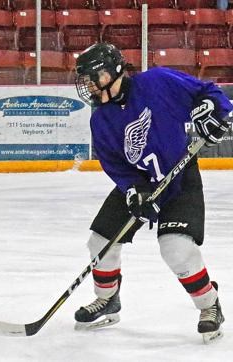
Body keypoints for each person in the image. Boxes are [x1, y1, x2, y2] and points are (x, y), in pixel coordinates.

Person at [73, 43, 231, 343]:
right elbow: (116, 165)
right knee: (99, 242)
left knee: (176, 249)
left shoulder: (157, 82)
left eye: (94, 76)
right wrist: (133, 190)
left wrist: (213, 111)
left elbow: (206, 92)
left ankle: (210, 305)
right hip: (142, 184)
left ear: (114, 71)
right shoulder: (101, 119)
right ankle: (107, 299)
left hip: (180, 178)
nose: (90, 84)